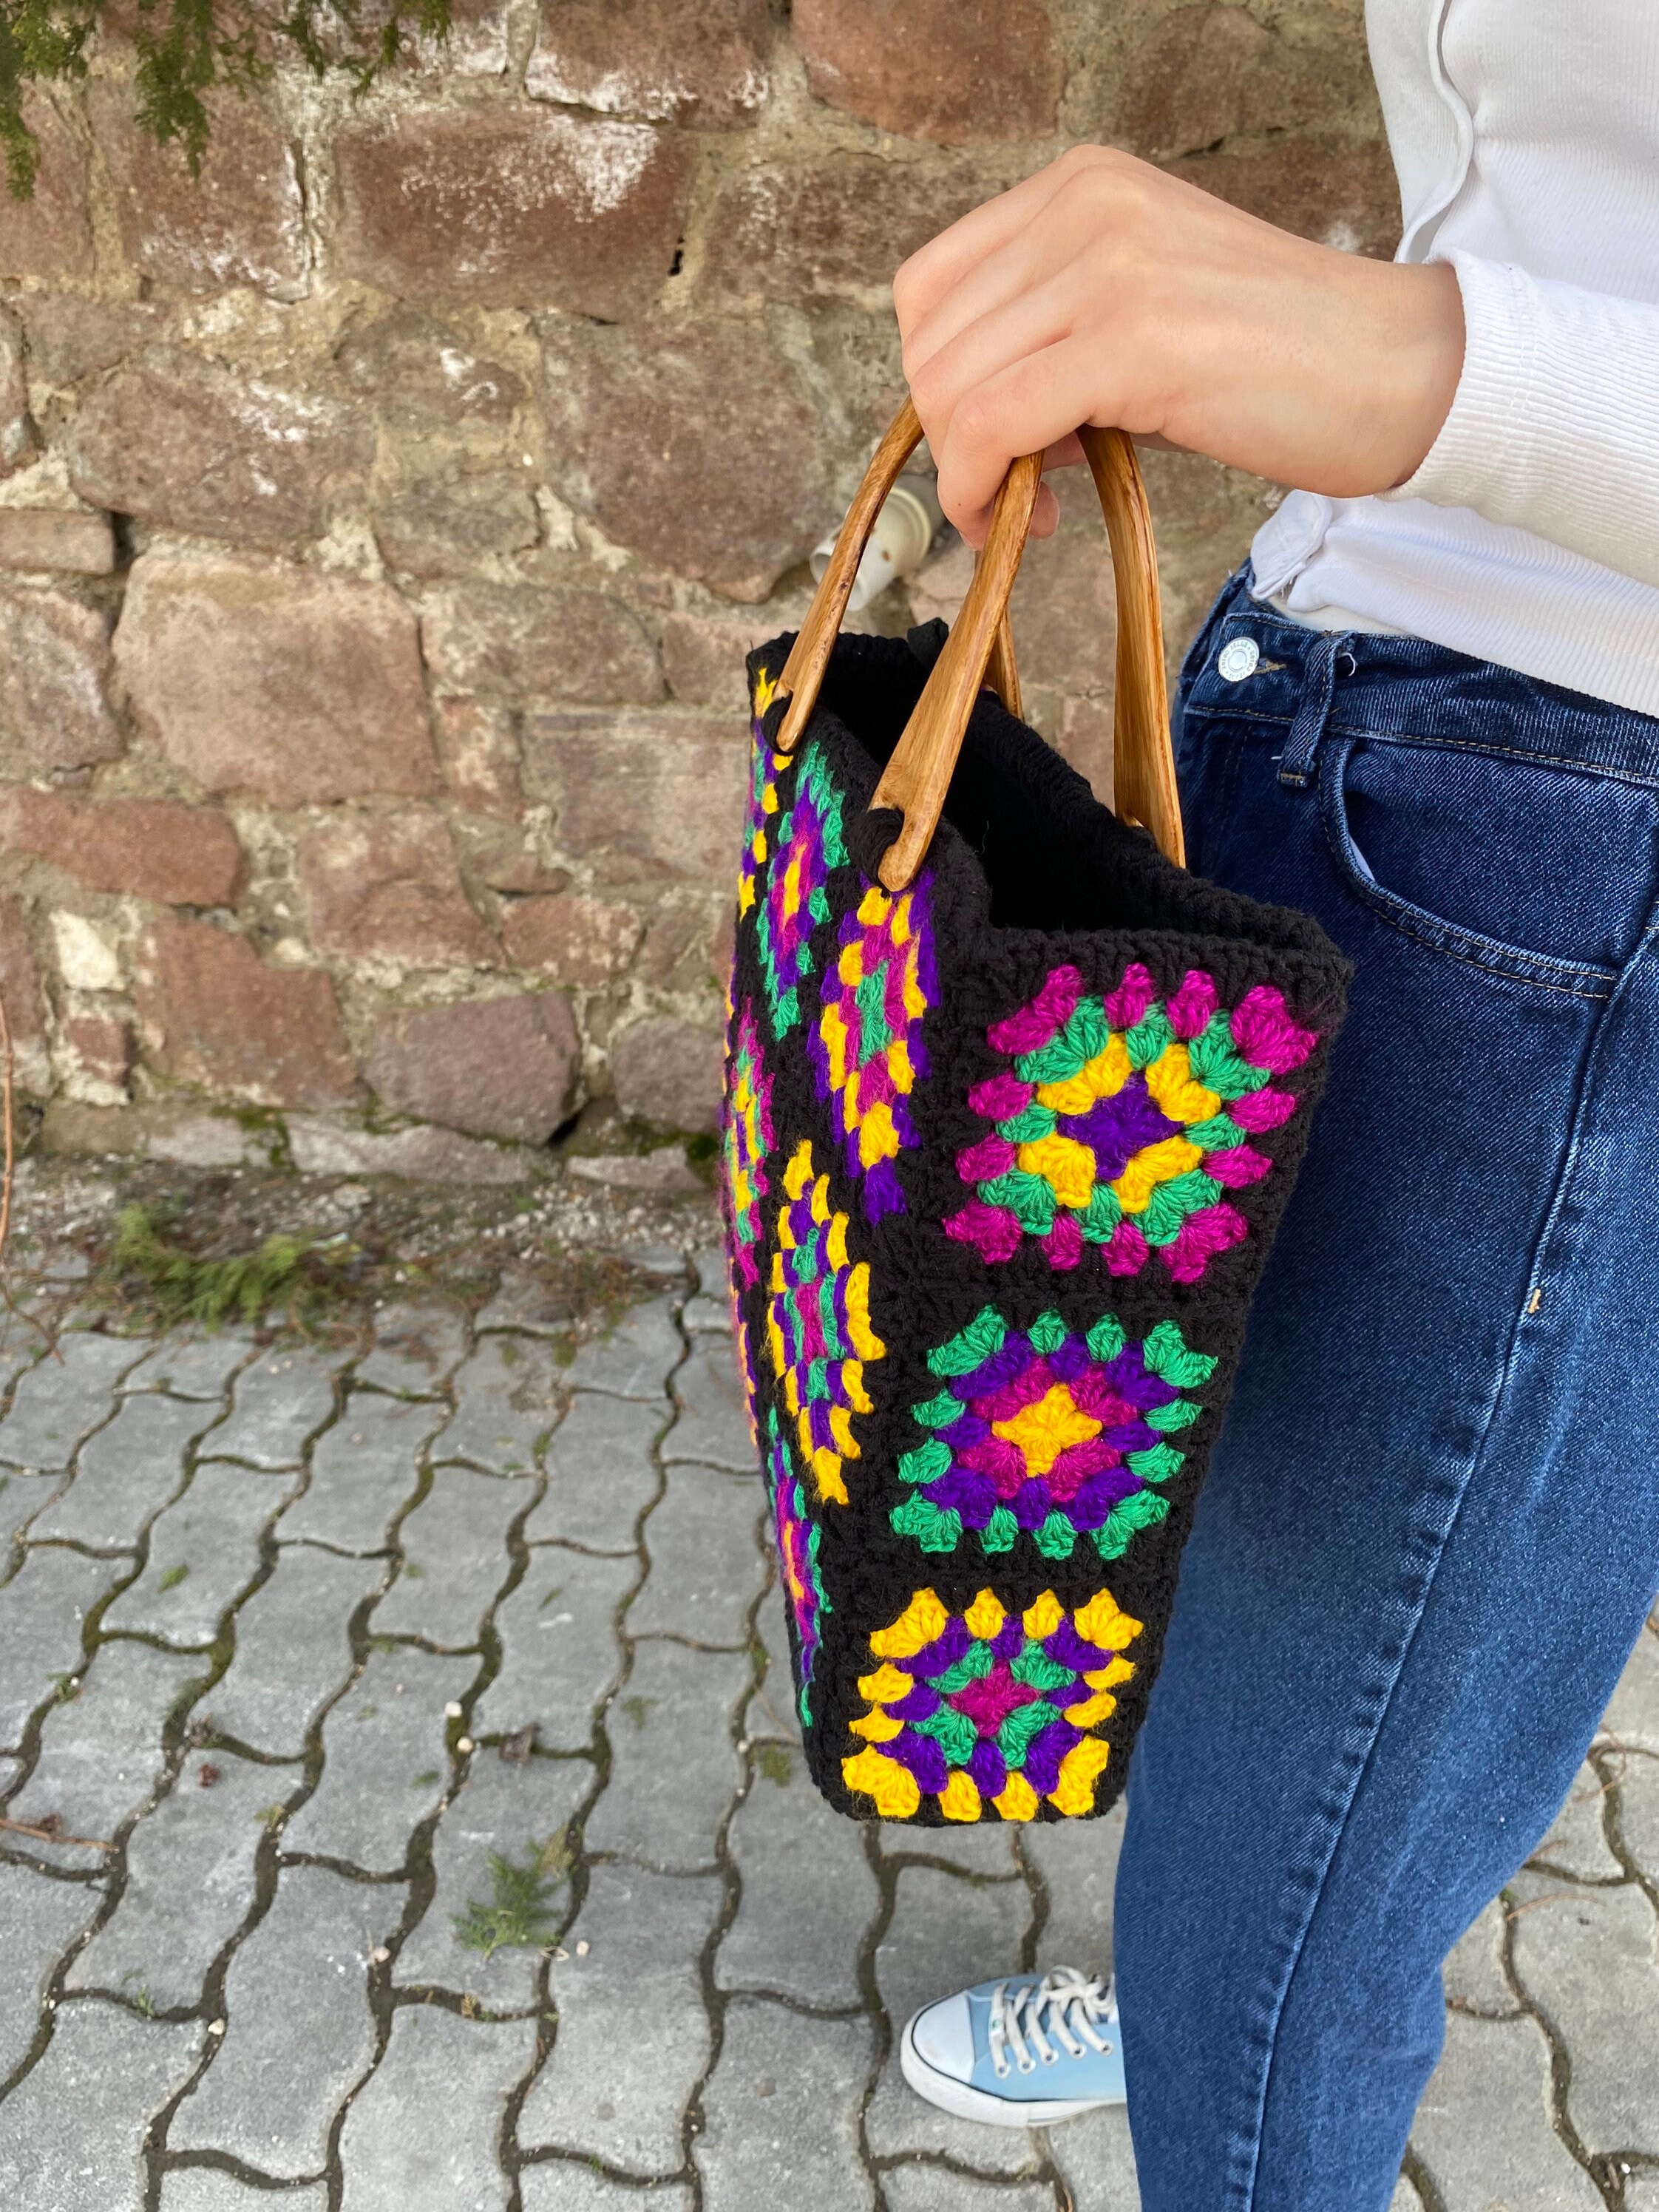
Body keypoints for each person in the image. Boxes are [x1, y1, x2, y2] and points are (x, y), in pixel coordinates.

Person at [888, 4, 1659, 2205]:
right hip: (1310, 705)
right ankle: (1181, 1992)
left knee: (1318, 1842)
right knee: (1224, 1596)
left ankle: (1224, 2062)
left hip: (1556, 840)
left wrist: (1410, 364)